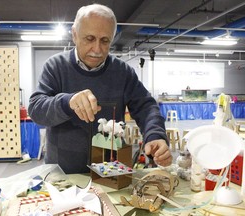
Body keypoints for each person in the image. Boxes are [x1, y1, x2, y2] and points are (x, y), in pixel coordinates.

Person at [28, 3, 172, 174]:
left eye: (105, 41)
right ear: (74, 35)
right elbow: (36, 109)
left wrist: (155, 135)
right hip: (63, 173)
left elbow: (146, 107)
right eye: (89, 39)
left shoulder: (123, 72)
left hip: (109, 172)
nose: (97, 49)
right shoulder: (55, 67)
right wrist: (67, 103)